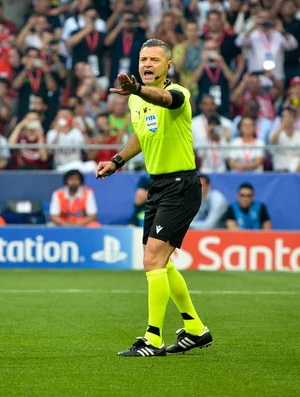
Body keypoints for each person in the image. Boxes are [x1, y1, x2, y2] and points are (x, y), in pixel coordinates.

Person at [96, 39, 212, 356]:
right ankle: (195, 329)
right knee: (159, 260)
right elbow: (140, 134)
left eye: (154, 60)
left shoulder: (180, 95)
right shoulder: (136, 101)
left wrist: (137, 91)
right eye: (143, 59)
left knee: (152, 260)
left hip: (181, 185)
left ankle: (153, 339)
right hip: (158, 184)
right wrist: (117, 161)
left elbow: (165, 99)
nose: (147, 64)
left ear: (167, 66)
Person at [269, 107, 300, 172]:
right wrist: (282, 126)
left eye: (290, 116)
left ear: (295, 119)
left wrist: (297, 171)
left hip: (297, 172)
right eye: (285, 116)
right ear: (281, 119)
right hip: (280, 171)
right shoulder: (275, 134)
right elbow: (272, 141)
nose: (288, 119)